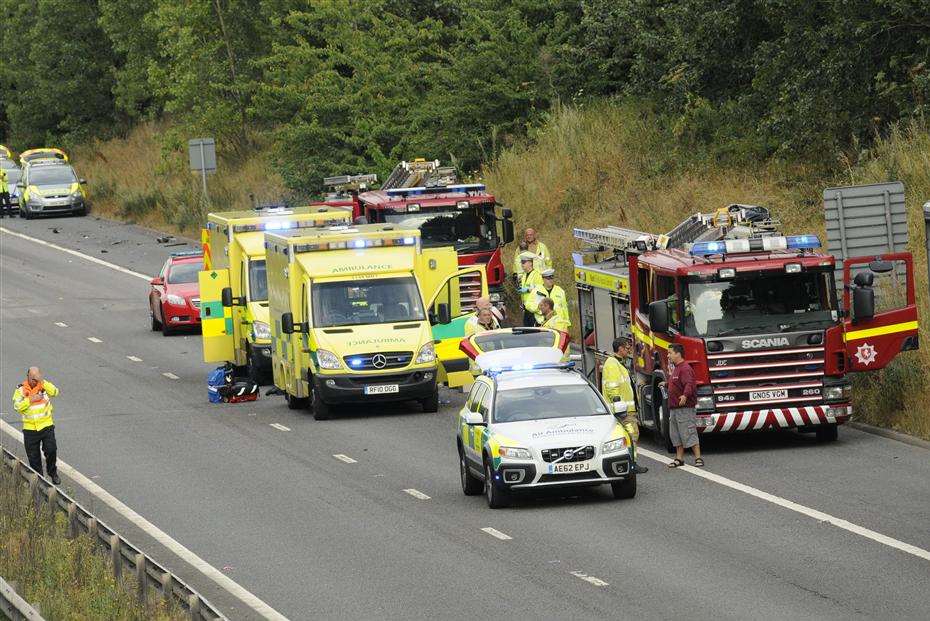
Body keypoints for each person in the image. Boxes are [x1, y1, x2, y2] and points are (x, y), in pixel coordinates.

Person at [601, 338, 648, 474]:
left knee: (631, 435)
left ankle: (630, 463)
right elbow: (612, 387)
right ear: (620, 348)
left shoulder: (618, 363)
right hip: (622, 411)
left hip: (625, 409)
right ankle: (631, 464)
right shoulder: (612, 364)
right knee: (632, 435)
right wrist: (620, 407)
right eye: (627, 348)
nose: (629, 351)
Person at [12, 367, 62, 484]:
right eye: (33, 379)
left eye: (37, 378)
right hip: (30, 429)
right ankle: (41, 483)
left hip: (46, 425)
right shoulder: (21, 390)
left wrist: (43, 382)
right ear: (28, 377)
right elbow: (17, 406)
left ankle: (52, 472)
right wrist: (30, 400)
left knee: (51, 450)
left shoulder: (44, 385)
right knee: (34, 459)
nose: (35, 381)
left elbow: (55, 392)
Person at [665, 343, 703, 468]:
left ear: (678, 353)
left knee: (689, 431)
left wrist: (685, 396)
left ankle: (698, 458)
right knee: (676, 434)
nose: (668, 355)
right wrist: (666, 384)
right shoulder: (676, 368)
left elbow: (689, 384)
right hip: (674, 408)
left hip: (684, 408)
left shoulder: (685, 368)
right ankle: (679, 458)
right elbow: (677, 383)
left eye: (670, 353)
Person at [517, 253, 544, 326]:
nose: (522, 265)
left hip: (534, 308)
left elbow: (541, 291)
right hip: (526, 307)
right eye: (521, 262)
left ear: (530, 263)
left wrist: (527, 290)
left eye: (524, 262)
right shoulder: (524, 275)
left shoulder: (537, 275)